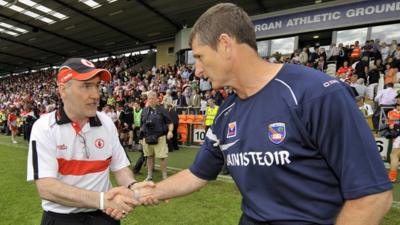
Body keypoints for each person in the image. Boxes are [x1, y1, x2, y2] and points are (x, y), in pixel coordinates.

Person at [129, 3, 392, 225]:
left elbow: (372, 197)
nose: (197, 70)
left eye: (199, 56)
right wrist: (147, 191)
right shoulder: (227, 112)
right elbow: (198, 173)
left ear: (225, 45)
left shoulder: (317, 94)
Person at [26, 58, 153, 225]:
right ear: (63, 89)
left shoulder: (107, 123)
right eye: (86, 86)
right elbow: (47, 188)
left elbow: (121, 168)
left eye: (97, 86)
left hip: (104, 216)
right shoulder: (44, 127)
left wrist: (132, 186)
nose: (96, 95)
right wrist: (102, 200)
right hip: (62, 218)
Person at [141, 91, 174, 181]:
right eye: (149, 99)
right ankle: (149, 176)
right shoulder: (144, 110)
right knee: (149, 156)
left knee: (162, 157)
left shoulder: (162, 110)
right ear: (147, 100)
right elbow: (142, 125)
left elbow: (170, 123)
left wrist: (170, 131)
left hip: (160, 137)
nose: (151, 100)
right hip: (147, 137)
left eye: (153, 98)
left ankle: (164, 176)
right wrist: (141, 137)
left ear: (157, 99)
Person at [387, 103, 400, 182]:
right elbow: (390, 122)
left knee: (393, 155)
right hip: (396, 135)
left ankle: (392, 177)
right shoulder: (392, 112)